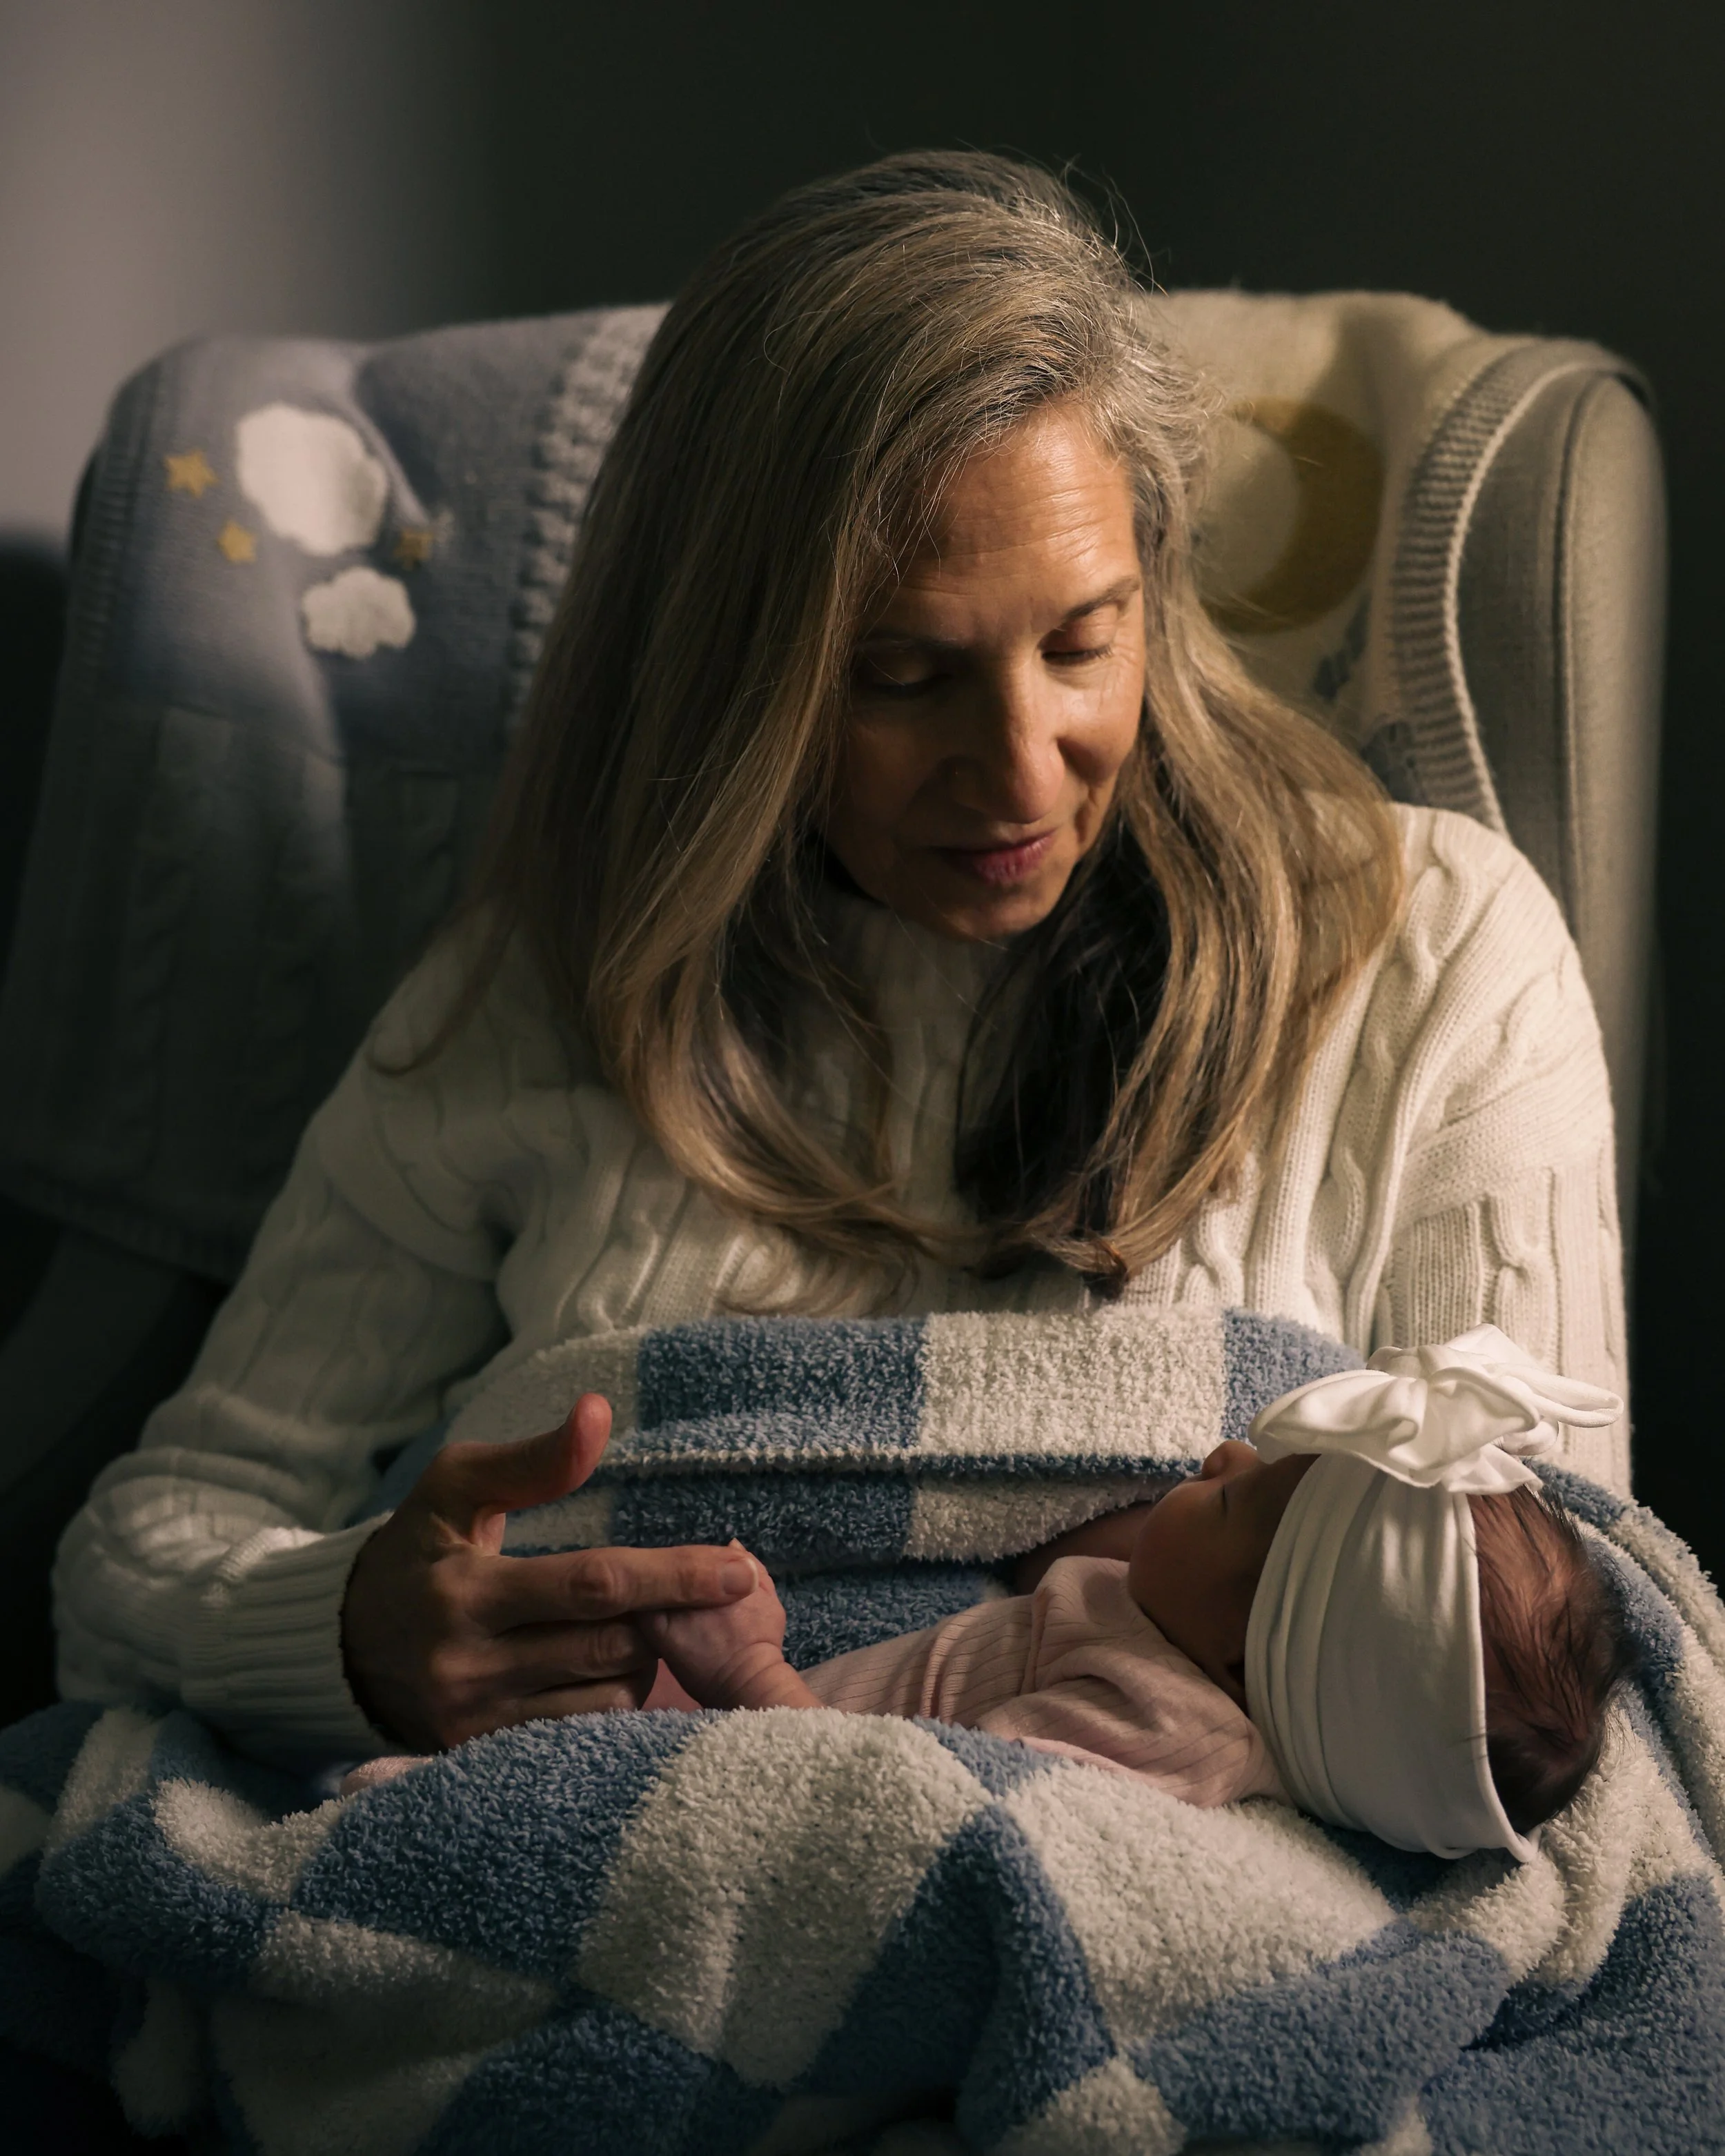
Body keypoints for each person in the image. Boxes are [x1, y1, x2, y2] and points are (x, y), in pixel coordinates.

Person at [52, 152, 1628, 1770]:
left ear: (1156, 581)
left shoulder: (1433, 952)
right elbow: (147, 1545)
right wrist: (352, 1635)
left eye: (1081, 640)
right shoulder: (541, 1001)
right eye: (899, 674)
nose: (1018, 770)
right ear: (727, 674)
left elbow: (1550, 1686)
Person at [347, 1329, 1639, 1861]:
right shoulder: (1175, 1642)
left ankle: (436, 1809)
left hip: (759, 1764)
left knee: (572, 1792)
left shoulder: (1166, 1730)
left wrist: (749, 1673)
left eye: (1243, 1504)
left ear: (1255, 1663)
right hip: (727, 1729)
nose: (1219, 1455)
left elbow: (903, 1819)